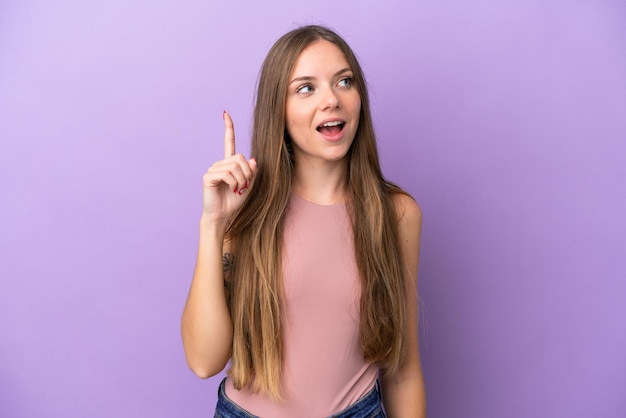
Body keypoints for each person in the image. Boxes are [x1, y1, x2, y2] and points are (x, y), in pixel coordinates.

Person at [181, 25, 426, 417]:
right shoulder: (245, 212)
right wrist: (212, 225)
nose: (332, 99)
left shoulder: (396, 215)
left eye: (344, 81)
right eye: (306, 88)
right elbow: (203, 361)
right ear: (278, 109)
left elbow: (404, 370)